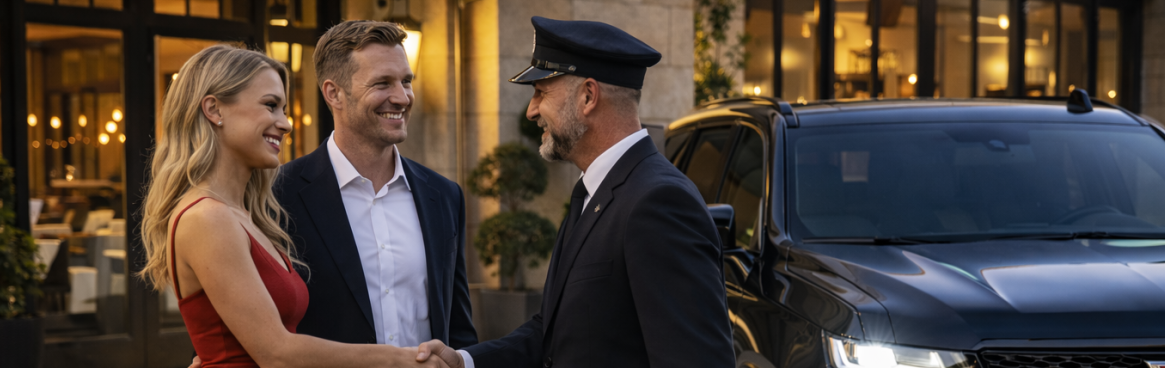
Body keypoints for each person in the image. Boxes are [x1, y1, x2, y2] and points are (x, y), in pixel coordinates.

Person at [416, 16, 735, 368]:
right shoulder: (593, 191)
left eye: (541, 92)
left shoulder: (658, 203)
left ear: (587, 96)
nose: (531, 110)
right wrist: (464, 361)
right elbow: (552, 333)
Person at [139, 45, 447, 367]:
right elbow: (276, 354)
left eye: (283, 109)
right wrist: (400, 360)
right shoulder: (207, 218)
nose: (286, 124)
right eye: (270, 105)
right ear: (215, 110)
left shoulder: (244, 214)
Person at [274, 20, 478, 349]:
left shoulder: (443, 195)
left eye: (406, 81)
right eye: (383, 83)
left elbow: (458, 330)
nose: (402, 97)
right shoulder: (278, 195)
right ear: (333, 93)